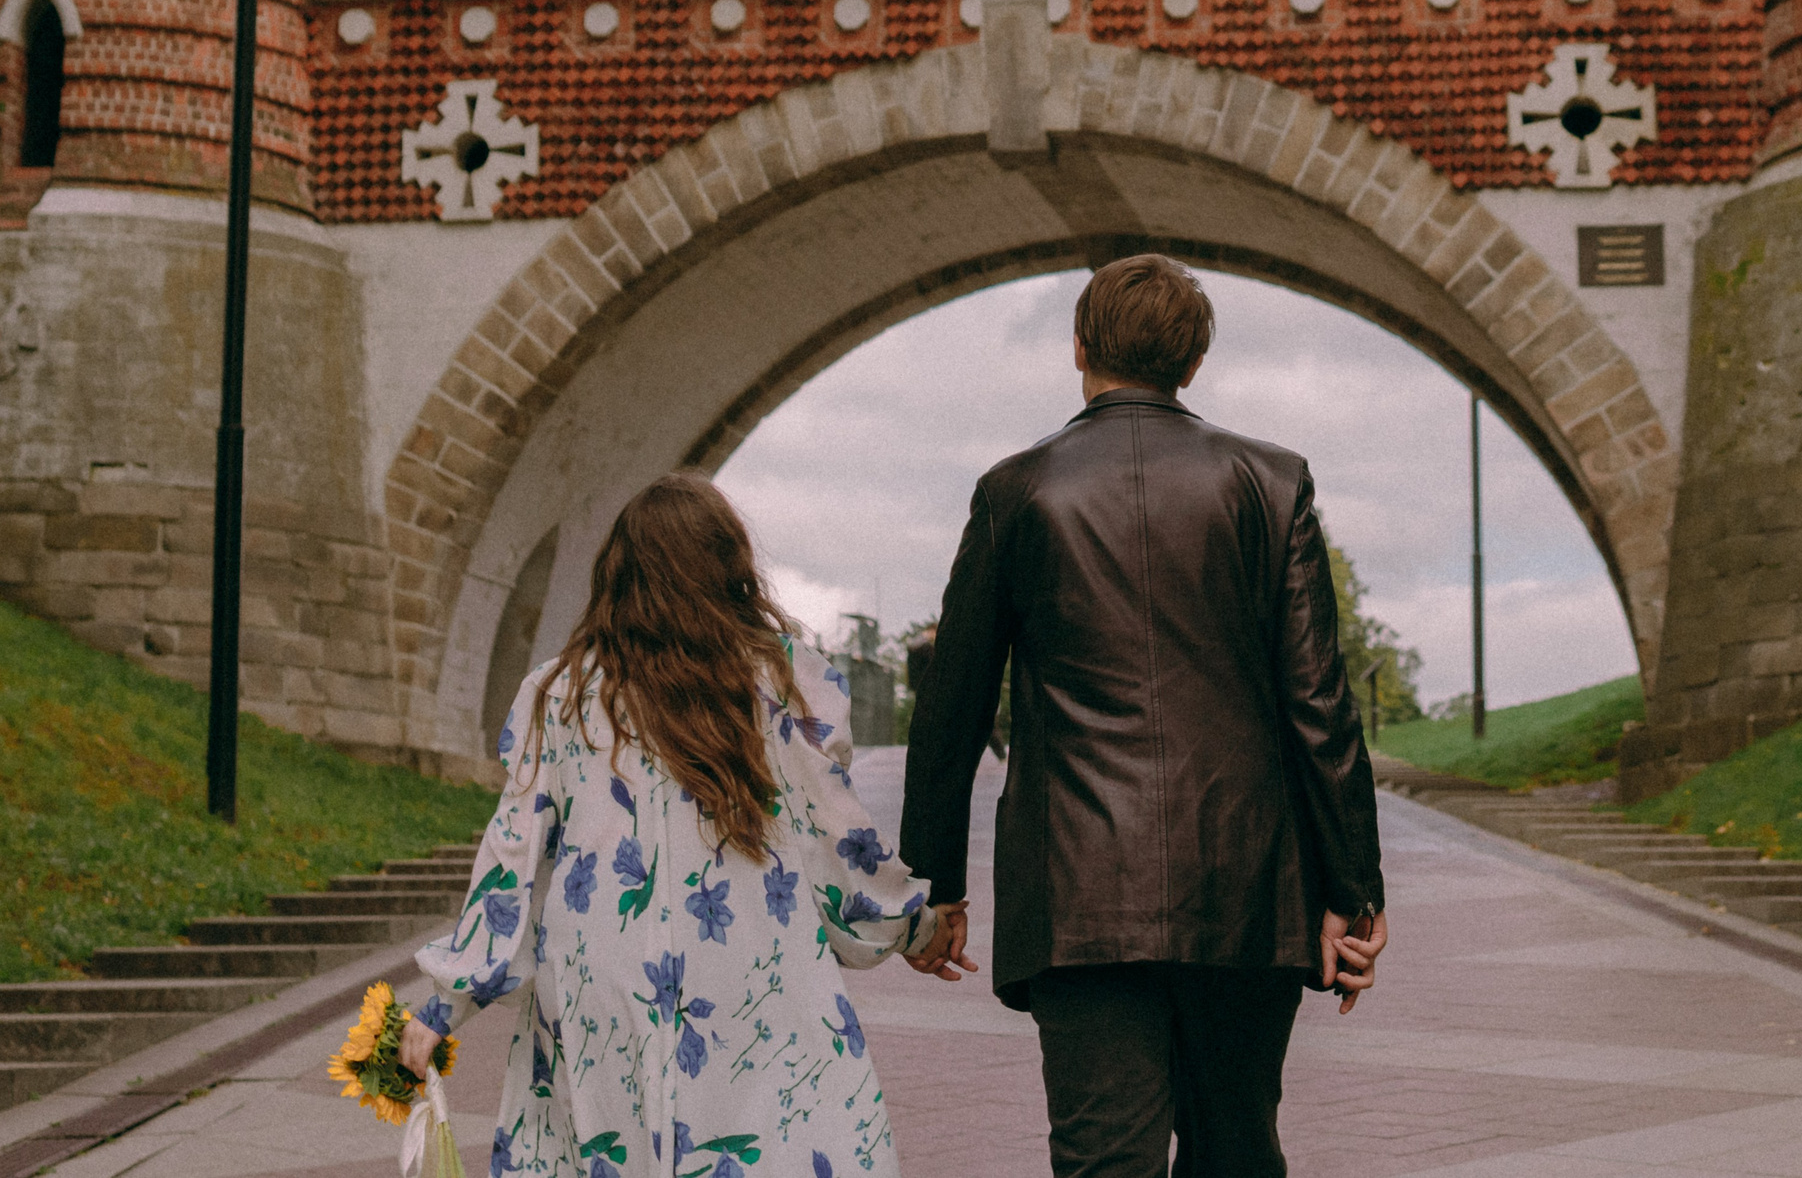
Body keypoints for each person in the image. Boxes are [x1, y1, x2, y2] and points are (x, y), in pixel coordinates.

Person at [902, 252, 1389, 1178]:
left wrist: (937, 882)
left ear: (1078, 345)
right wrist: (1351, 891)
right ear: (1193, 363)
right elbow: (1320, 705)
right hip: (1245, 891)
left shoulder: (1016, 492)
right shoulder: (1273, 482)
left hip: (1078, 893)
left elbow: (953, 707)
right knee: (1238, 1150)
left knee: (1102, 1162)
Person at [397, 474, 950, 1178]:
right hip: (752, 970)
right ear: (732, 571)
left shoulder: (558, 692)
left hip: (599, 983)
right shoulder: (782, 687)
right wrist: (919, 929)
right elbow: (838, 844)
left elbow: (513, 858)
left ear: (617, 575)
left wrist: (445, 1003)